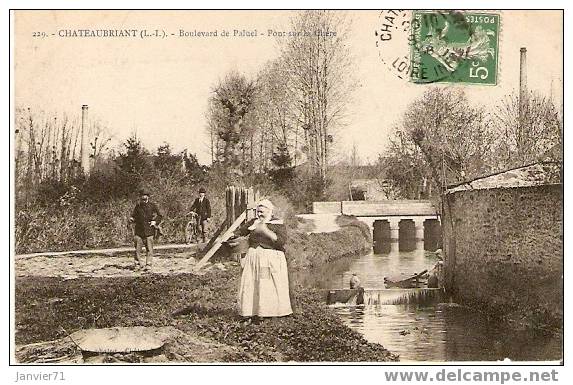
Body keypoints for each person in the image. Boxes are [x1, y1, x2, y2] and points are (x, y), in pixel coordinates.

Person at [228, 199, 292, 324]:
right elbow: (241, 231)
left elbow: (281, 241)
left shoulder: (277, 223)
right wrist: (233, 235)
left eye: (262, 212)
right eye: (258, 212)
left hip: (269, 259)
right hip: (253, 257)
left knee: (265, 284)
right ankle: (251, 312)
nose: (259, 214)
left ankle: (267, 313)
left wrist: (265, 230)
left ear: (269, 211)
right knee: (251, 283)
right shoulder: (253, 222)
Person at [129, 189, 163, 272]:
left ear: (148, 197)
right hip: (139, 230)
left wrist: (155, 221)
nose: (143, 198)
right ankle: (137, 265)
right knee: (137, 249)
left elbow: (160, 215)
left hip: (149, 230)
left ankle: (148, 265)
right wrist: (132, 219)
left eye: (145, 196)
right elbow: (134, 216)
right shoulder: (138, 206)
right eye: (141, 196)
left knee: (149, 249)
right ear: (140, 197)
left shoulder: (152, 205)